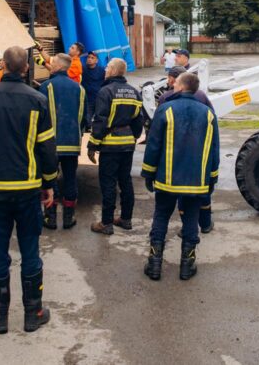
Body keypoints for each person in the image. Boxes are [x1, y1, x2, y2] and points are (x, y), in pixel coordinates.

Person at [0, 46, 58, 335]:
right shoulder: (38, 100)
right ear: (27, 68)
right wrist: (49, 183)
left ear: (2, 65)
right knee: (30, 249)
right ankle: (34, 313)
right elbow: (47, 149)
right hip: (29, 190)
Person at [140, 72, 219, 281]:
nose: (173, 87)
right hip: (196, 181)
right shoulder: (208, 114)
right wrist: (212, 178)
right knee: (191, 220)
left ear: (182, 87)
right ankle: (187, 266)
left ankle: (154, 265)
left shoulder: (166, 110)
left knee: (161, 216)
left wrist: (148, 173)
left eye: (176, 85)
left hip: (167, 180)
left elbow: (153, 145)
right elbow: (214, 150)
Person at [88, 57, 144, 235]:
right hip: (127, 144)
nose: (104, 71)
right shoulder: (134, 92)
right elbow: (138, 121)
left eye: (107, 68)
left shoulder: (106, 91)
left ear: (112, 70)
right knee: (125, 181)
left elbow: (101, 120)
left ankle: (106, 223)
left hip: (110, 145)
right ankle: (126, 219)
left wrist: (92, 145)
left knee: (108, 183)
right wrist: (133, 137)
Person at [159, 67, 216, 234]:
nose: (169, 81)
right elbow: (212, 119)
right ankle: (205, 224)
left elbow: (158, 128)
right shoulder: (202, 96)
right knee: (199, 193)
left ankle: (186, 228)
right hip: (198, 152)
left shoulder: (165, 98)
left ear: (177, 81)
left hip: (173, 154)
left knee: (176, 196)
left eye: (171, 78)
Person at [38, 53, 87, 230]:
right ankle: (68, 217)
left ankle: (50, 217)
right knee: (70, 179)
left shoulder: (46, 87)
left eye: (52, 63)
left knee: (49, 178)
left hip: (50, 144)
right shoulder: (80, 89)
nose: (50, 65)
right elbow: (83, 119)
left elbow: (40, 117)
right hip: (72, 143)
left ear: (58, 66)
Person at [81, 50, 106, 123]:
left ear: (96, 60)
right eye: (88, 57)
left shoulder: (102, 70)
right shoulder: (82, 69)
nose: (89, 59)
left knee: (100, 120)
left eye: (92, 58)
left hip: (99, 99)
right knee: (87, 120)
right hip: (88, 100)